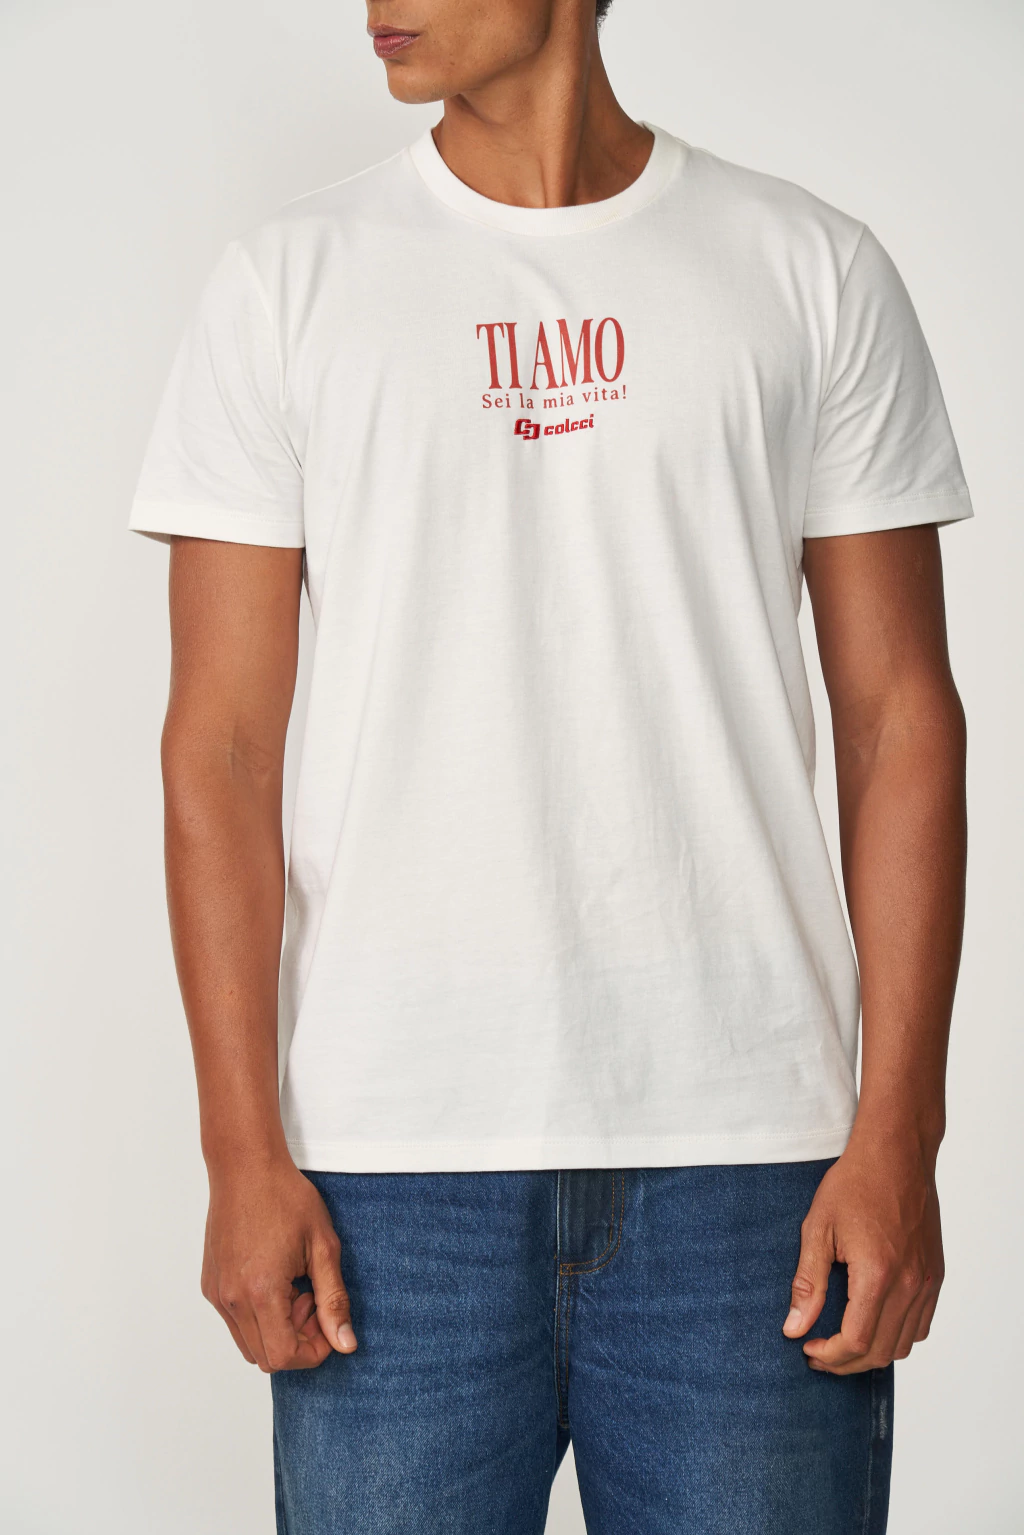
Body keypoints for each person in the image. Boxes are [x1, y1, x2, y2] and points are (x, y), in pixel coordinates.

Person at [129, 1, 972, 1530]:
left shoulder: (809, 269)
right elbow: (222, 751)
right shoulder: (288, 285)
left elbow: (901, 718)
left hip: (755, 1173)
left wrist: (900, 1133)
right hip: (388, 1179)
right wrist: (239, 1151)